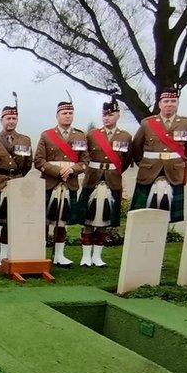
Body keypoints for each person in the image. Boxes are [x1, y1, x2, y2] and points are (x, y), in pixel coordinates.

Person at [34, 95, 88, 267]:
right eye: (64, 113)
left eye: (70, 113)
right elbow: (39, 161)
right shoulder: (47, 135)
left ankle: (59, 255)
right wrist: (58, 171)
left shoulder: (80, 136)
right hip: (50, 182)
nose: (67, 116)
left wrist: (72, 169)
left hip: (70, 182)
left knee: (62, 221)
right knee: (43, 220)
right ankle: (39, 253)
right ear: (57, 115)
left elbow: (85, 161)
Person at [78, 94, 132, 267]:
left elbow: (127, 159)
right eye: (104, 115)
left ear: (117, 115)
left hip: (112, 180)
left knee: (105, 221)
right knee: (88, 219)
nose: (107, 118)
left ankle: (97, 256)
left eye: (110, 115)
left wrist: (114, 172)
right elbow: (84, 155)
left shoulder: (125, 137)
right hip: (92, 179)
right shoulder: (92, 135)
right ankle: (86, 256)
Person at [131, 84, 187, 223]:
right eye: (166, 101)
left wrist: (176, 163)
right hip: (149, 173)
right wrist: (143, 163)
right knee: (142, 215)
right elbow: (136, 147)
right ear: (160, 104)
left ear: (177, 104)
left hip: (174, 173)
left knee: (167, 217)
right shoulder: (147, 123)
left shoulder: (186, 124)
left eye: (173, 101)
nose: (169, 104)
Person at [0, 93, 33, 265]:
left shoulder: (25, 140)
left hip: (16, 184)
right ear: (1, 120)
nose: (11, 121)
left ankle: (5, 253)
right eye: (8, 118)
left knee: (11, 222)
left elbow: (27, 165)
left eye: (14, 118)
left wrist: (17, 179)